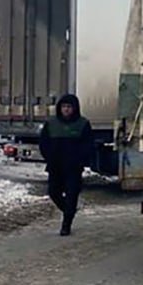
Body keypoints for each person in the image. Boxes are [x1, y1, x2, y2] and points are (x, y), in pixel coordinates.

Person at [39, 94, 95, 236]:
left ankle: (66, 224)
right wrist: (49, 157)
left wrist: (81, 160)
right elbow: (43, 143)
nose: (66, 109)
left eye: (69, 107)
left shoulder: (82, 124)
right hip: (55, 165)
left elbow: (88, 144)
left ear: (75, 108)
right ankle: (68, 210)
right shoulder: (51, 124)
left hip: (73, 167)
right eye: (64, 106)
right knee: (53, 192)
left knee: (72, 194)